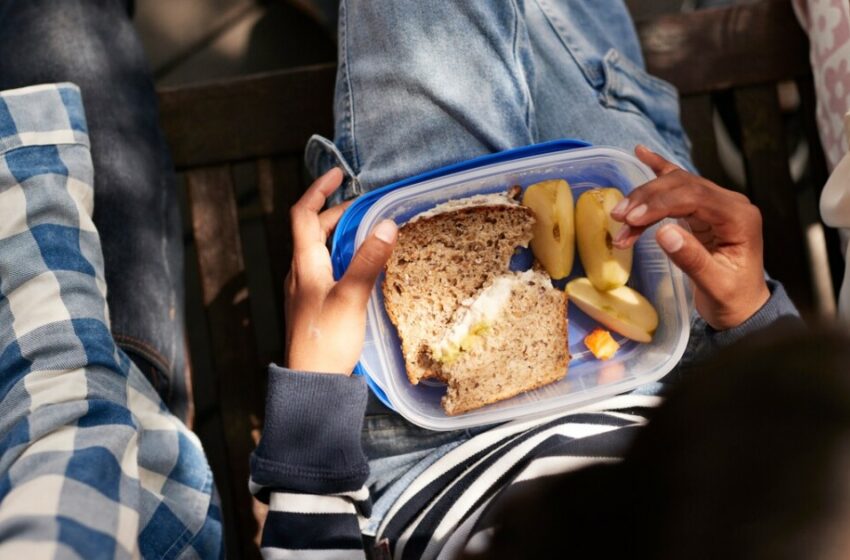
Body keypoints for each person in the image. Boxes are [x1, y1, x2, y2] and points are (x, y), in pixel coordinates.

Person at [0, 2, 798, 560]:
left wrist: (313, 387)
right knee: (583, 55)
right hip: (678, 362)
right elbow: (811, 461)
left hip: (427, 442)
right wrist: (756, 316)